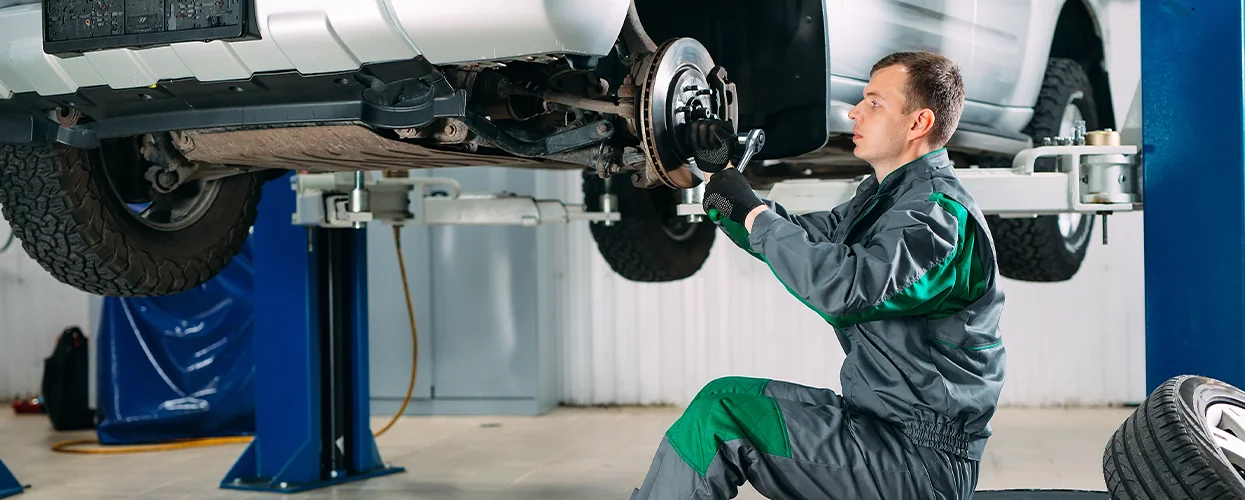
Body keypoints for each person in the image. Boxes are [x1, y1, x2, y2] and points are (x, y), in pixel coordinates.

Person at [629, 51, 1007, 499]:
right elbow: (802, 237)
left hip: (920, 461)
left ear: (918, 123)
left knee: (721, 414)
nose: (854, 111)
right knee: (723, 396)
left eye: (874, 103)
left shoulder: (938, 218)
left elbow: (848, 287)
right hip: (881, 427)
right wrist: (723, 175)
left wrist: (752, 213)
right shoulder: (890, 200)